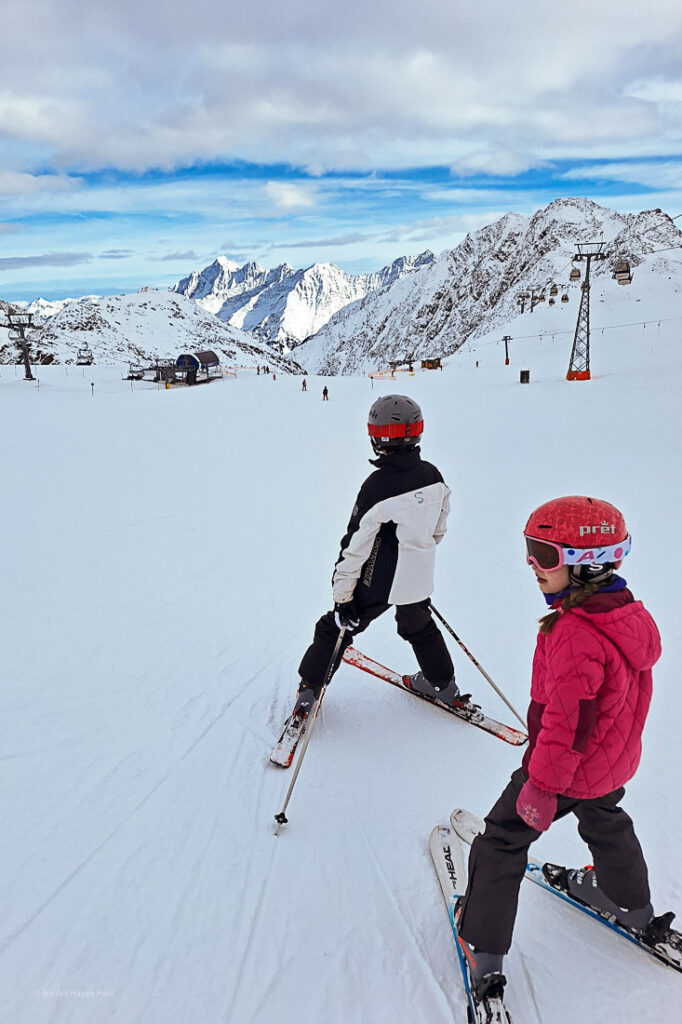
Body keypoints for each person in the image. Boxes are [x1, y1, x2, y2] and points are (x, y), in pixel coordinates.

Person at [454, 495, 679, 1001]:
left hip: (564, 769)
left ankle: (481, 942)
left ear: (585, 565)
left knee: (502, 840)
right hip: (609, 764)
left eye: (545, 555)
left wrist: (541, 785)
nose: (532, 564)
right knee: (605, 818)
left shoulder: (575, 633)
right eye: (530, 549)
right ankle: (631, 905)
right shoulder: (626, 615)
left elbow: (568, 723)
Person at [290, 394, 461, 722]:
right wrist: (417, 555)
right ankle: (442, 684)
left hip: (380, 580)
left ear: (377, 437)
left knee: (336, 627)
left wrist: (343, 597)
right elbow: (438, 529)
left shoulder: (377, 487)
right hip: (418, 575)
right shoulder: (433, 475)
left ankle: (310, 689)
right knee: (418, 625)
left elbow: (355, 545)